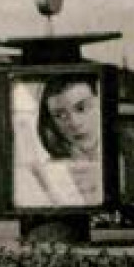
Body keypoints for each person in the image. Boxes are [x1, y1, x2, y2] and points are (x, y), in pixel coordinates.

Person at [17, 76, 103, 206]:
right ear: (52, 123)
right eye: (60, 115)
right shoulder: (52, 173)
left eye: (81, 108)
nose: (74, 123)